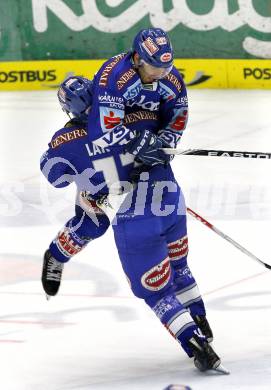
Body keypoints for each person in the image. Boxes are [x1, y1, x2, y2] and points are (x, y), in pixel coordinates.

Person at [41, 28, 227, 373]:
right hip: (127, 194)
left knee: (94, 224)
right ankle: (55, 256)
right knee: (94, 223)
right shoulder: (84, 129)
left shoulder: (129, 113)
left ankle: (194, 326)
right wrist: (88, 180)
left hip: (136, 197)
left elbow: (54, 173)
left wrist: (148, 152)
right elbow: (61, 167)